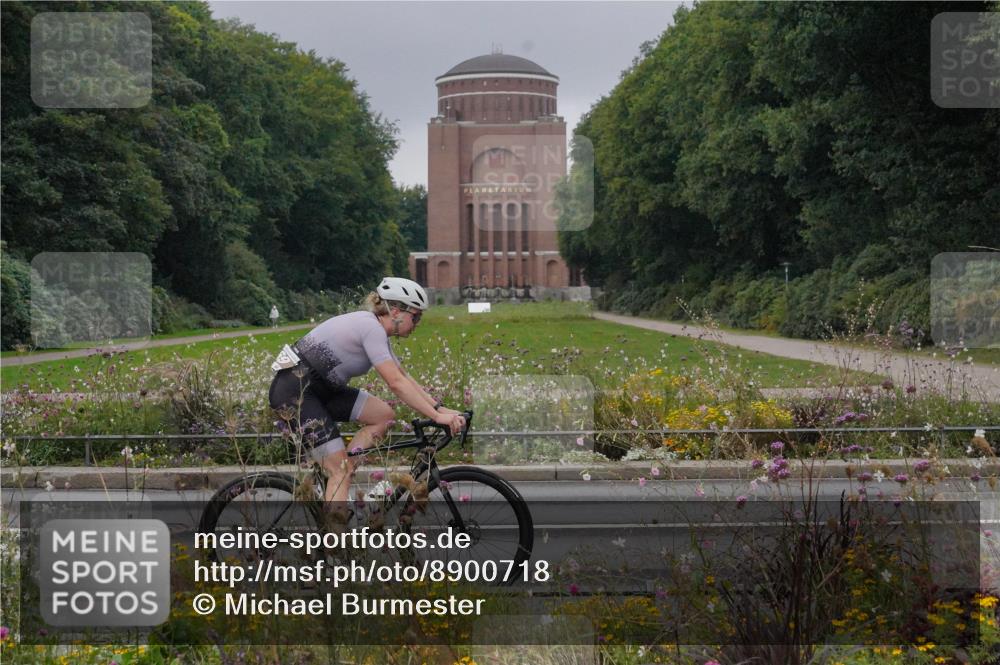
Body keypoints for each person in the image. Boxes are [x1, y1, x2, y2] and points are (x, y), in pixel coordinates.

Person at [267, 277, 465, 521]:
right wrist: (436, 417)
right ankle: (335, 545)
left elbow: (404, 376)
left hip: (320, 390)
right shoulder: (370, 328)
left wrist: (440, 408)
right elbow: (395, 383)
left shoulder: (376, 329)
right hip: (295, 393)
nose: (417, 323)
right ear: (396, 312)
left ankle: (341, 473)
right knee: (340, 472)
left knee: (383, 415)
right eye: (416, 316)